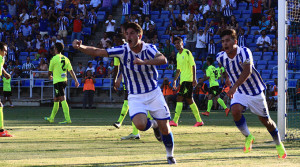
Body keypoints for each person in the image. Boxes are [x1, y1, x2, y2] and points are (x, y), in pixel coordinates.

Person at [72, 22, 176, 164]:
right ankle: (154, 124)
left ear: (139, 35)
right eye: (126, 34)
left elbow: (163, 59)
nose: (128, 36)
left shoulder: (149, 48)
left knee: (166, 128)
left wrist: (143, 62)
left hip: (153, 93)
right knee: (140, 124)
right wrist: (80, 47)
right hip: (135, 95)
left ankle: (170, 155)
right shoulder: (122, 50)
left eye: (132, 33)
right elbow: (98, 51)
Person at [216, 29, 287, 158]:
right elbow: (226, 68)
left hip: (255, 92)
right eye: (222, 41)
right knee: (235, 111)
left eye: (227, 40)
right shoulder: (220, 57)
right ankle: (249, 137)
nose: (224, 43)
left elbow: (247, 71)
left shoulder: (244, 52)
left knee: (267, 122)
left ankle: (278, 144)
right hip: (240, 92)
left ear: (235, 41)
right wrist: (227, 78)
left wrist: (234, 86)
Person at [169, 37, 204, 127]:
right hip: (183, 80)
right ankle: (199, 121)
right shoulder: (178, 55)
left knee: (180, 97)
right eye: (175, 43)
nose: (177, 44)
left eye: (178, 43)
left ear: (182, 44)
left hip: (188, 80)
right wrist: (175, 81)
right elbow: (178, 69)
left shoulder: (187, 52)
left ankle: (175, 120)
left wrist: (194, 78)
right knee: (189, 99)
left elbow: (193, 65)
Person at [44, 42, 79, 124]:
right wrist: (76, 80)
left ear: (56, 49)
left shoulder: (54, 59)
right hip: (64, 81)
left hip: (58, 82)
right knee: (56, 99)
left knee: (62, 99)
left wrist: (49, 76)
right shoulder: (66, 58)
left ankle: (68, 119)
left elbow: (49, 72)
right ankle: (51, 118)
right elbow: (71, 71)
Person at [0, 42, 13, 137]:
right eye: (4, 50)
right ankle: (1, 130)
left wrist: (5, 73)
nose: (6, 53)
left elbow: (0, 67)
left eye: (6, 51)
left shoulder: (2, 58)